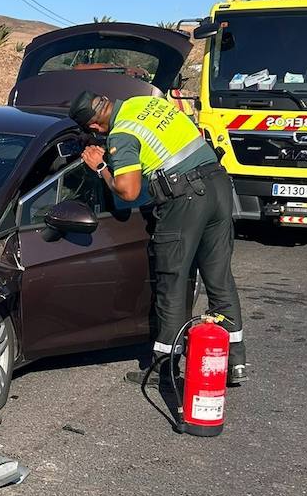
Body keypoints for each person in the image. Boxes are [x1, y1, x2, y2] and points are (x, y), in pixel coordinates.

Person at [68, 89, 246, 384]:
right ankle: (234, 361)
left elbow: (129, 191)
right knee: (219, 277)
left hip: (186, 198)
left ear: (94, 127)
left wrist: (101, 168)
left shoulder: (121, 134)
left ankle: (166, 369)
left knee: (173, 281)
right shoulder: (143, 102)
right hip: (218, 185)